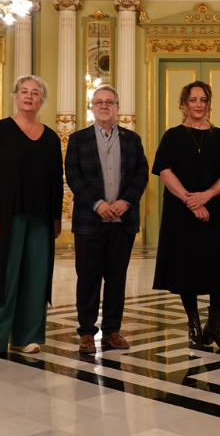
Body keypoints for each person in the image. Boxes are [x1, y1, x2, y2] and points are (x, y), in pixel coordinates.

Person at [0, 76, 64, 363]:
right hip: (7, 217)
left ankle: (28, 337)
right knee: (5, 277)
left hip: (41, 217)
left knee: (36, 278)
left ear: (41, 100)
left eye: (35, 93)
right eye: (24, 91)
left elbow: (56, 181)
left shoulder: (50, 136)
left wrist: (56, 217)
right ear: (15, 96)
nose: (29, 96)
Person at [152, 81, 220, 353]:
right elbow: (165, 172)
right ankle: (193, 325)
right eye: (193, 100)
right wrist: (191, 201)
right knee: (184, 267)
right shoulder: (172, 136)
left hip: (213, 209)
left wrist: (207, 196)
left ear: (209, 103)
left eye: (203, 100)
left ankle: (215, 324)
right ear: (183, 104)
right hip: (181, 211)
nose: (199, 104)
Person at [65, 85, 148, 354]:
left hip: (123, 223)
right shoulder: (78, 139)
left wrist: (126, 201)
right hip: (90, 222)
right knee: (88, 278)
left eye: (109, 102)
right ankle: (87, 332)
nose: (104, 106)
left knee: (116, 278)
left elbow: (141, 175)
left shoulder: (132, 139)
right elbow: (74, 176)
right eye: (98, 102)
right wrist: (98, 204)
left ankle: (112, 330)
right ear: (91, 107)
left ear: (117, 108)